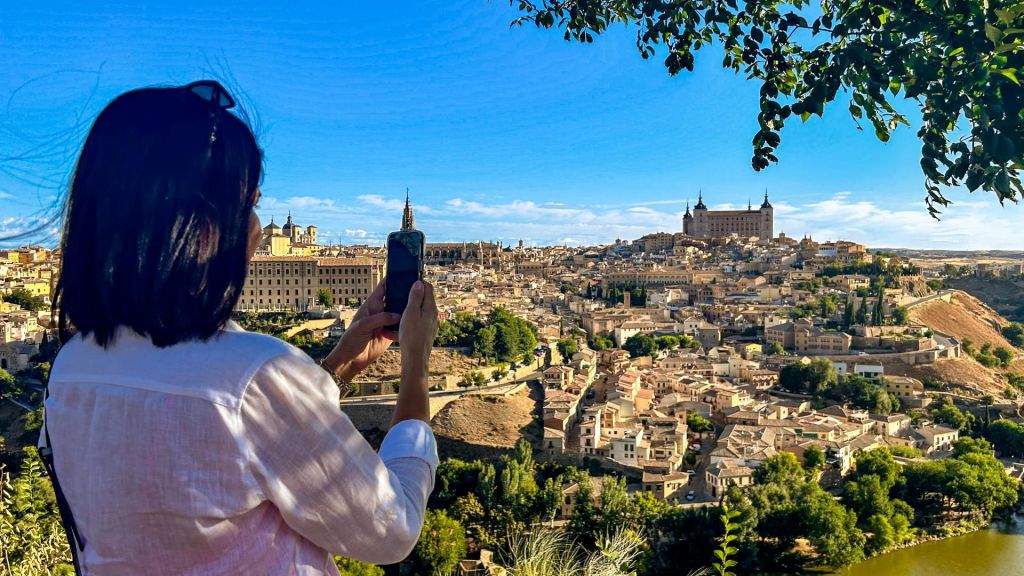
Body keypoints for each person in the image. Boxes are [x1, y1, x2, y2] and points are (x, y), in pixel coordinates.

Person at [39, 80, 440, 575]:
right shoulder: (254, 376)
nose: (257, 227)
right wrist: (415, 367)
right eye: (249, 203)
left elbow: (231, 444)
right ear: (203, 229)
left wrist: (340, 364)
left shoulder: (71, 368)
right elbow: (393, 529)